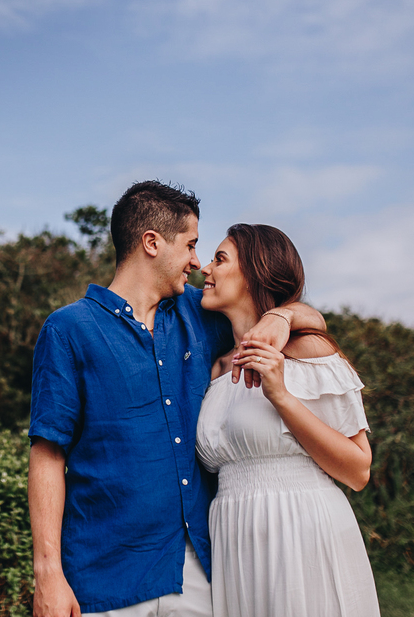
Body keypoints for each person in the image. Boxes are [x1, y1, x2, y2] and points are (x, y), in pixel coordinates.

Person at [28, 183, 327, 617]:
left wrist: (282, 315)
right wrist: (48, 574)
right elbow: (47, 453)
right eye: (189, 245)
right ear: (152, 243)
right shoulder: (68, 329)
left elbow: (310, 319)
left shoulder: (201, 313)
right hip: (103, 575)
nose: (196, 261)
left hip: (200, 576)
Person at [196, 223, 379, 617]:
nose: (205, 269)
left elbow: (358, 470)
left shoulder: (307, 350)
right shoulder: (214, 368)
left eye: (220, 259)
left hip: (302, 528)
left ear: (255, 273)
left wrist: (280, 396)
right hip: (233, 536)